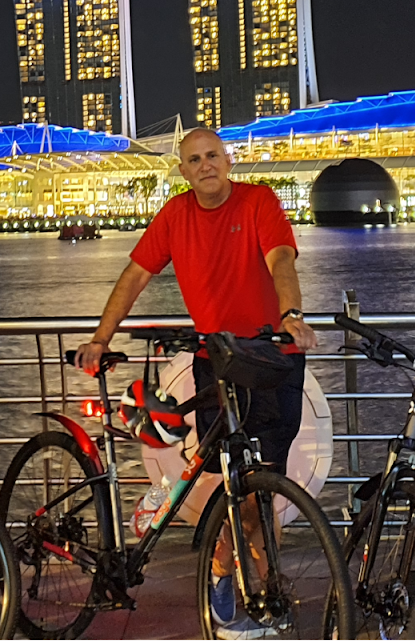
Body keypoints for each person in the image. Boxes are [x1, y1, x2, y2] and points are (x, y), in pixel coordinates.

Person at [74, 128, 316, 640]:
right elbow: (135, 275)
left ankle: (229, 577)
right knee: (237, 487)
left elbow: (280, 260)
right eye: (194, 160)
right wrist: (100, 337)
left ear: (227, 161)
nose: (205, 166)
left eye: (213, 156)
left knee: (261, 489)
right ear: (183, 172)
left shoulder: (258, 201)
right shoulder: (175, 216)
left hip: (273, 357)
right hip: (219, 362)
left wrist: (291, 313)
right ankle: (253, 590)